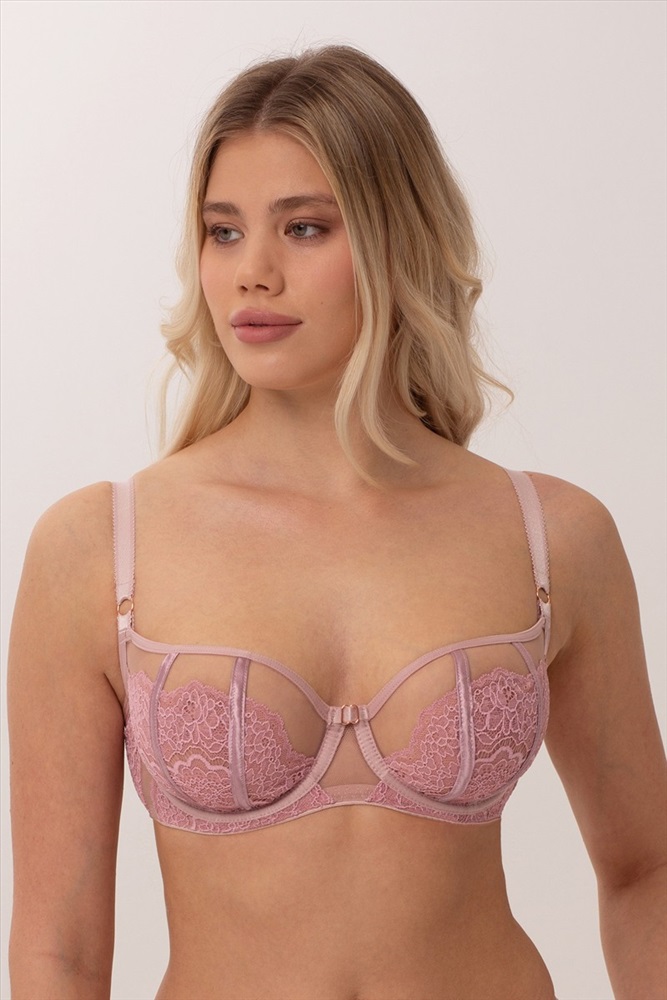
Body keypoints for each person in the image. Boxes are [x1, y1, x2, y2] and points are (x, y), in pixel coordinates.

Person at [7, 44, 666, 1000]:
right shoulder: (98, 550)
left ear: (398, 238)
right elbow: (57, 949)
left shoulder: (553, 537)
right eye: (222, 232)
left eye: (305, 227)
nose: (252, 273)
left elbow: (646, 868)